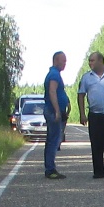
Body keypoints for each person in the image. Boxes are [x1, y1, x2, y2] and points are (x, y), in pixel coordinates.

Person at [41, 51, 70, 180]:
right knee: (53, 140)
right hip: (52, 111)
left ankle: (50, 168)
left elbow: (58, 92)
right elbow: (52, 91)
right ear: (55, 60)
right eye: (63, 61)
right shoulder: (53, 75)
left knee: (52, 139)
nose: (65, 64)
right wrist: (57, 110)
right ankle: (50, 169)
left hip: (53, 110)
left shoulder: (55, 74)